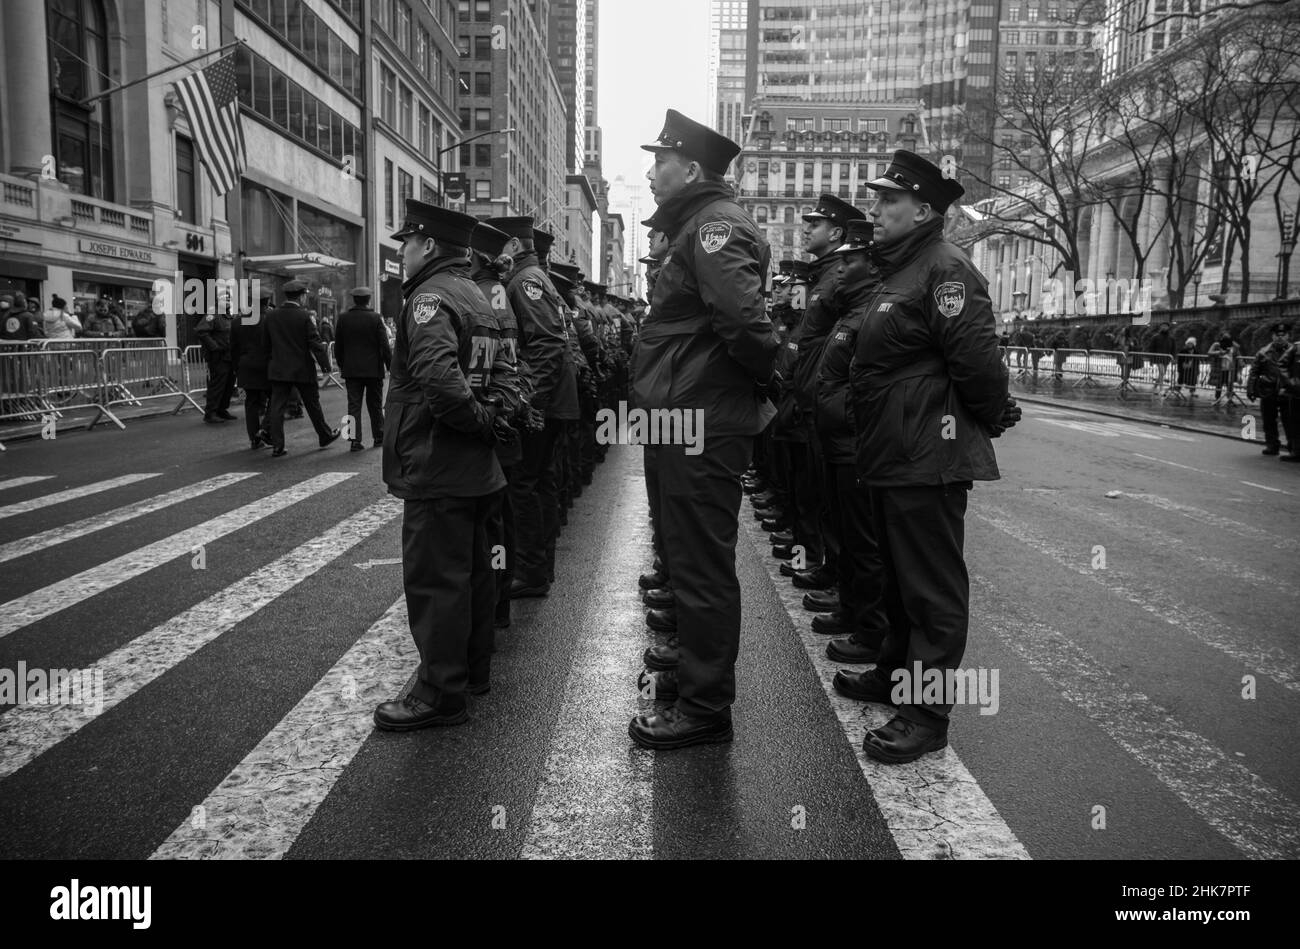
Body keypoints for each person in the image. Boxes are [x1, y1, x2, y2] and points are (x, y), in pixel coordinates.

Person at [839, 149, 1020, 764]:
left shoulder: (945, 269)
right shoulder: (902, 269)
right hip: (893, 449)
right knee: (896, 577)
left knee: (931, 589)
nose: (877, 208)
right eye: (878, 197)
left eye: (889, 200)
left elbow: (976, 360)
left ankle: (926, 712)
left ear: (923, 210)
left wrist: (992, 416)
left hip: (928, 450)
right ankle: (895, 674)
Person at [629, 108, 779, 751]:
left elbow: (744, 325)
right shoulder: (696, 225)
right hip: (680, 416)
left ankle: (706, 706)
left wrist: (766, 383)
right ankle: (693, 677)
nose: (651, 170)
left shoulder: (713, 227)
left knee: (700, 565)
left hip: (700, 419)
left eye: (660, 161)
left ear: (691, 168)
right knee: (684, 556)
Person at [374, 199, 505, 731]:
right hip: (476, 465)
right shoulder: (475, 293)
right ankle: (470, 673)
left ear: (427, 245)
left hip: (438, 460)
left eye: (405, 243)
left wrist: (475, 420)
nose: (401, 252)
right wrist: (492, 422)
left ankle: (439, 692)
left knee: (436, 581)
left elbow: (439, 381)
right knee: (475, 574)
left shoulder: (429, 297)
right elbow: (505, 371)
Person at [486, 215, 578, 599]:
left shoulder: (525, 281)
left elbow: (546, 344)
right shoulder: (534, 277)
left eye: (495, 244)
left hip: (545, 399)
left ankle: (531, 570)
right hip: (553, 398)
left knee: (524, 485)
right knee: (539, 483)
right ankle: (540, 568)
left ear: (512, 246)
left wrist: (528, 401)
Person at [813, 219, 891, 663]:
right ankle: (852, 610)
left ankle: (871, 631)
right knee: (845, 532)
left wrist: (846, 422)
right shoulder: (851, 309)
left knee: (864, 542)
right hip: (836, 439)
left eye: (851, 259)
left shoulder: (870, 312)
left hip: (853, 442)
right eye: (839, 259)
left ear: (871, 264)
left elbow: (868, 385)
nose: (840, 265)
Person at [262, 281, 341, 457]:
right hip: (302, 369)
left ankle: (277, 445)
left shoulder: (272, 316)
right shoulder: (304, 316)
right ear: (302, 296)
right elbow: (314, 343)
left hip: (279, 369)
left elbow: (265, 345)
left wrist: (270, 363)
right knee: (312, 404)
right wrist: (326, 366)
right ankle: (324, 435)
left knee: (277, 407)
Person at [333, 287, 392, 452]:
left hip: (351, 370)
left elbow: (339, 345)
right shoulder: (375, 318)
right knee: (375, 404)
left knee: (353, 405)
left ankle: (353, 440)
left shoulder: (344, 318)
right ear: (368, 300)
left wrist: (341, 364)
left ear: (354, 300)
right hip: (373, 369)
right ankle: (379, 436)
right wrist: (390, 365)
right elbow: (384, 345)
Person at [230, 292, 274, 450]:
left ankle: (254, 439)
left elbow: (233, 348)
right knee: (276, 398)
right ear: (267, 301)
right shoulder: (271, 319)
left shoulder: (237, 321)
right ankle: (265, 429)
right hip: (268, 365)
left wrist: (237, 368)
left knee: (251, 403)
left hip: (246, 366)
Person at [1248, 323, 1296, 457]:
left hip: (1288, 391)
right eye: (1277, 335)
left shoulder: (1294, 351)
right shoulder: (1264, 352)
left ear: (1288, 336)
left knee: (1290, 421)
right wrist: (1251, 389)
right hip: (1268, 390)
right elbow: (1254, 371)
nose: (1280, 338)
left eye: (1283, 335)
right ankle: (1272, 445)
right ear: (1272, 336)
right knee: (1269, 420)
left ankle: (1293, 446)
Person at [196, 306, 237, 424]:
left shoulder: (229, 316)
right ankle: (211, 413)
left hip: (229, 356)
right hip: (218, 357)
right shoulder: (213, 315)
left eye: (229, 299)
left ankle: (221, 409)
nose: (228, 301)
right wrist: (214, 347)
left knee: (228, 384)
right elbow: (201, 331)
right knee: (217, 385)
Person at [1208, 333, 1241, 403]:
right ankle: (1217, 398)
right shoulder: (1217, 344)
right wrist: (1219, 352)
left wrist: (1241, 362)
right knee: (1219, 384)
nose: (1227, 338)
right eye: (1225, 337)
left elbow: (1238, 352)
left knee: (1230, 384)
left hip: (1230, 368)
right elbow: (1209, 352)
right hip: (1220, 368)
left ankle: (1229, 398)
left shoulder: (1233, 346)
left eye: (1228, 337)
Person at [1149, 322, 1176, 388]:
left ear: (1168, 327)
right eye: (1163, 326)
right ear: (1160, 327)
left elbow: (1174, 349)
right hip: (1158, 358)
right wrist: (1151, 359)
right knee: (1161, 372)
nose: (1164, 327)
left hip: (1166, 358)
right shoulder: (1155, 337)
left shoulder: (1171, 338)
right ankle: (1161, 388)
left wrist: (1173, 358)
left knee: (1163, 373)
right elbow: (1151, 348)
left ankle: (1155, 385)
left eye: (1166, 326)